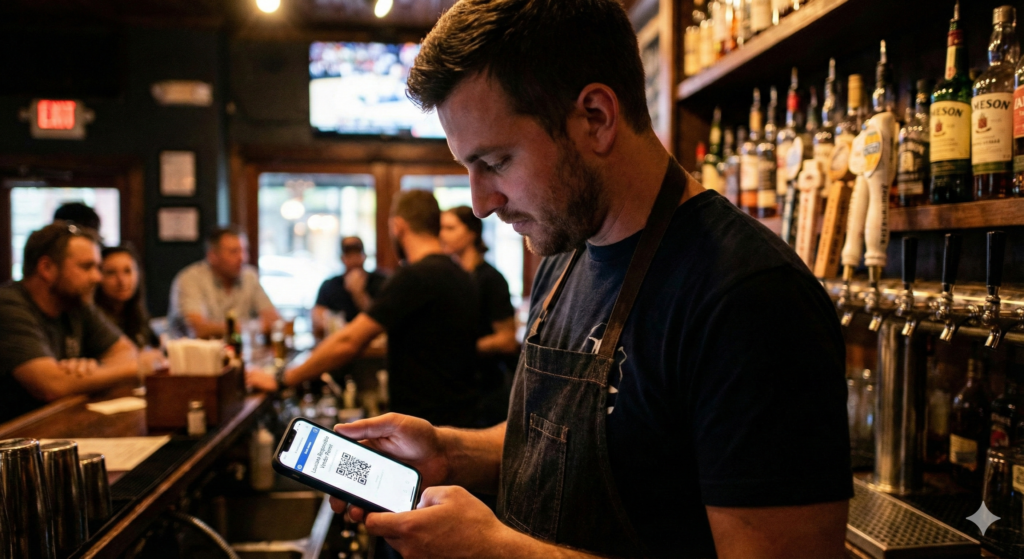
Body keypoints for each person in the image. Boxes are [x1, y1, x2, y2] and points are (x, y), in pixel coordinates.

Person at [328, 1, 852, 558]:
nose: (480, 204)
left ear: (596, 118)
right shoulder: (564, 249)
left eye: (497, 162)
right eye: (468, 168)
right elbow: (573, 439)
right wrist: (448, 453)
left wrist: (500, 553)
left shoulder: (750, 300)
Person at [248, 190, 480, 428]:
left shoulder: (414, 276)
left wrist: (282, 380)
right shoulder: (462, 275)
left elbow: (349, 341)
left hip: (427, 420)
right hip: (462, 412)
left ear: (398, 226)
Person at [0, 222, 138, 423]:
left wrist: (92, 367)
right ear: (46, 268)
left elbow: (128, 352)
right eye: (87, 267)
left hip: (52, 427)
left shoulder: (76, 304)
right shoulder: (8, 306)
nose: (97, 277)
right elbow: (50, 385)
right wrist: (136, 367)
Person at [440, 206, 518, 425]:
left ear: (472, 232)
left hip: (488, 389)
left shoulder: (491, 279)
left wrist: (460, 349)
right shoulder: (449, 277)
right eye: (440, 228)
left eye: (450, 227)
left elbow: (507, 340)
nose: (442, 234)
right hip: (459, 387)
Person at [167, 226, 280, 339]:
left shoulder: (249, 276)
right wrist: (251, 327)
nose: (242, 258)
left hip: (240, 353)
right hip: (196, 355)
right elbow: (198, 329)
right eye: (234, 252)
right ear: (212, 256)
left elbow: (274, 321)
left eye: (244, 250)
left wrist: (223, 328)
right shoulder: (190, 278)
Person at [311, 236, 388, 339]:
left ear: (364, 256)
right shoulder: (330, 285)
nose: (353, 258)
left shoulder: (381, 281)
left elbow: (383, 321)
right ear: (342, 258)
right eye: (348, 254)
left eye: (357, 253)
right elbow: (317, 319)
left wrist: (359, 293)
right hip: (339, 345)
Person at [95, 246, 158, 348]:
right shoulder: (92, 319)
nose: (121, 281)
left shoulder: (137, 314)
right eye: (111, 273)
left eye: (127, 271)